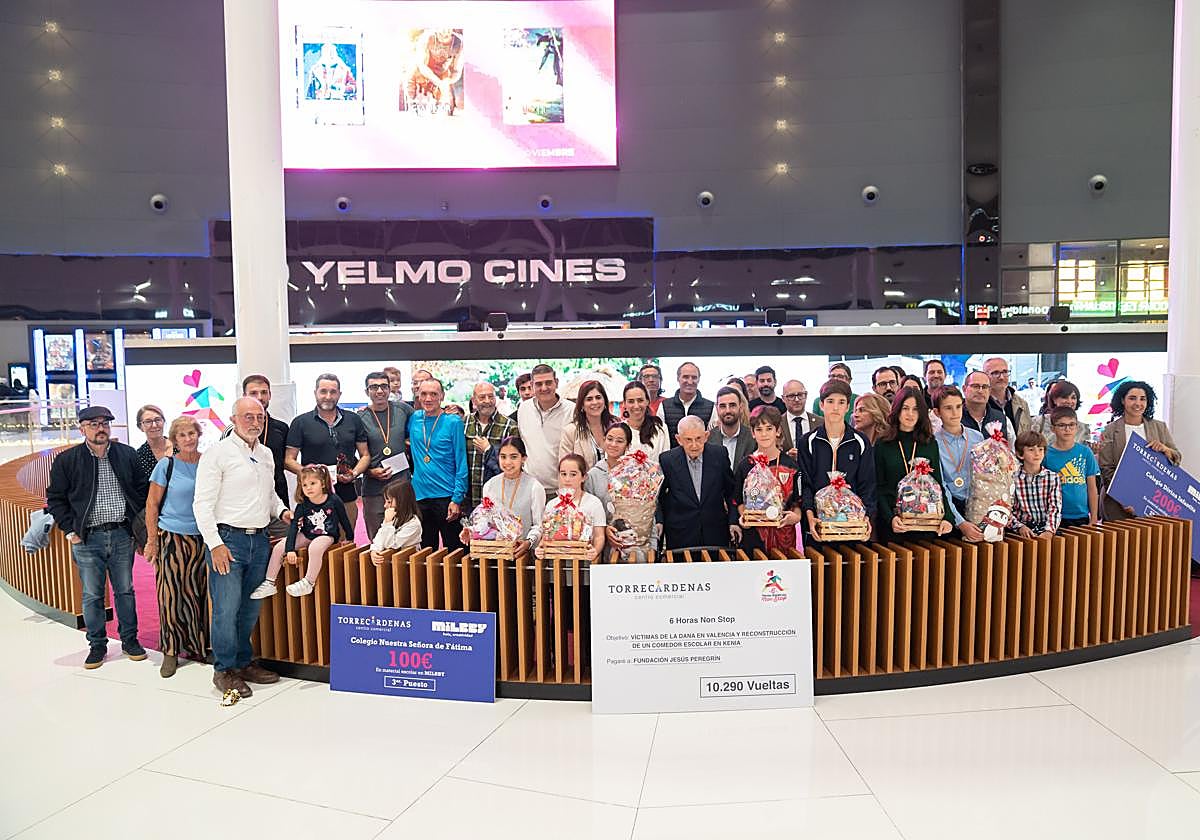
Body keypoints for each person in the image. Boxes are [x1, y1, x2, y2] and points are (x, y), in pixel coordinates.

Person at [193, 397, 293, 697]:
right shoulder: (217, 454)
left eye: (259, 417)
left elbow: (270, 494)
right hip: (228, 540)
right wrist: (215, 544)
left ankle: (242, 661)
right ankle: (223, 670)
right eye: (247, 416)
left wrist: (283, 511)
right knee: (226, 609)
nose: (254, 422)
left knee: (250, 608)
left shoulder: (265, 454)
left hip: (260, 540)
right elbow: (202, 504)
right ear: (233, 419)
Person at [46, 405, 150, 669]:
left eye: (105, 423)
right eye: (93, 424)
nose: (100, 428)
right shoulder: (67, 460)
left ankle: (130, 640)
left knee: (125, 591)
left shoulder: (127, 455)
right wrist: (71, 531)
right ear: (82, 429)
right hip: (87, 538)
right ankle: (97, 645)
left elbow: (141, 491)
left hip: (121, 534)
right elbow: (56, 499)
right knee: (92, 595)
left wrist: (136, 527)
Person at [142, 416, 207, 678]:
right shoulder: (166, 466)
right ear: (175, 439)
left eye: (192, 433)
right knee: (170, 595)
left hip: (202, 538)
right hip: (172, 537)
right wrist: (152, 541)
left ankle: (197, 644)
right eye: (182, 435)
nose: (188, 438)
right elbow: (151, 505)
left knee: (198, 594)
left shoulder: (208, 464)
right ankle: (170, 650)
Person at [284, 373, 370, 534]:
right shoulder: (301, 422)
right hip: (313, 500)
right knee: (315, 546)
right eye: (323, 391)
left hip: (347, 496)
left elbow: (365, 455)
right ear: (315, 392)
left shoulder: (353, 420)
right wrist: (312, 475)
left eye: (333, 392)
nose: (328, 396)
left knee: (345, 548)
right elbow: (289, 460)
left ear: (339, 394)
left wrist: (354, 473)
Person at [252, 464, 353, 599]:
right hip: (307, 534)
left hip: (327, 535)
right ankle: (270, 582)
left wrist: (349, 537)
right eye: (305, 485)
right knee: (279, 547)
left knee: (315, 547)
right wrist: (289, 550)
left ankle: (308, 582)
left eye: (313, 483)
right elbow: (294, 527)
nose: (309, 488)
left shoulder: (334, 500)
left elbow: (344, 519)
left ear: (322, 483)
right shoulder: (303, 504)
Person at [800, 379, 876, 541]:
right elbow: (806, 484)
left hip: (852, 527)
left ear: (848, 407)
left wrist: (866, 517)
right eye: (830, 401)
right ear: (821, 405)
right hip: (819, 527)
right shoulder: (808, 441)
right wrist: (810, 516)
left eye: (841, 402)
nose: (835, 407)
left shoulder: (860, 441)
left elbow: (867, 485)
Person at [874, 387, 954, 540]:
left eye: (915, 409)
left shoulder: (929, 443)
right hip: (896, 525)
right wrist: (890, 518)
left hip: (927, 523)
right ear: (897, 410)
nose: (910, 414)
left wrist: (948, 518)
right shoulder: (883, 444)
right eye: (905, 408)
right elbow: (879, 488)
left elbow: (938, 485)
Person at [1097, 381, 1180, 521]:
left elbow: (1177, 458)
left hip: (1153, 502)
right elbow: (1106, 469)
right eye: (1132, 398)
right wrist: (1126, 499)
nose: (1138, 403)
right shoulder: (1109, 430)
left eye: (1143, 399)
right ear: (1123, 400)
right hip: (1117, 504)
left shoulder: (1159, 427)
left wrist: (1165, 449)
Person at [658, 416, 737, 549]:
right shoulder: (667, 460)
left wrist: (733, 521)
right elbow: (658, 497)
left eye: (699, 439)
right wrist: (659, 521)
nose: (694, 445)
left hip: (716, 532)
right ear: (678, 439)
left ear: (706, 436)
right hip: (680, 533)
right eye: (688, 440)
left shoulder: (720, 455)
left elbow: (731, 492)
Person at [408, 377, 468, 550]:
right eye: (424, 394)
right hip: (420, 497)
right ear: (418, 396)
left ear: (442, 395)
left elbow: (461, 462)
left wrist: (457, 498)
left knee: (455, 550)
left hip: (447, 497)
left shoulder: (453, 422)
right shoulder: (414, 419)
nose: (428, 399)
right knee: (425, 552)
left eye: (433, 394)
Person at [732, 406, 802, 553]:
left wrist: (795, 517)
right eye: (759, 429)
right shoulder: (746, 465)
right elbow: (738, 499)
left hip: (783, 535)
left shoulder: (790, 465)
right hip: (753, 536)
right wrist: (745, 516)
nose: (764, 434)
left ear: (778, 431)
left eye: (769, 428)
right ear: (752, 433)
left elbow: (797, 501)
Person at [466, 436, 544, 555]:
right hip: (494, 553)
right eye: (503, 457)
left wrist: (528, 543)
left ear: (523, 458)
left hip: (523, 554)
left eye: (513, 457)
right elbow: (485, 520)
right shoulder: (490, 485)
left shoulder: (534, 487)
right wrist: (471, 530)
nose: (507, 462)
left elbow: (539, 525)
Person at [358, 372, 413, 540]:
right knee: (378, 540)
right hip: (374, 489)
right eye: (374, 387)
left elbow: (422, 426)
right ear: (367, 391)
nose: (380, 391)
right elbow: (355, 454)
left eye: (384, 386)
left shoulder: (403, 409)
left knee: (406, 539)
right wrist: (369, 471)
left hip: (402, 486)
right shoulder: (360, 417)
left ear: (390, 389)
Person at [931, 386, 986, 541]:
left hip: (977, 504)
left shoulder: (977, 437)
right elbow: (941, 486)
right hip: (949, 508)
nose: (955, 413)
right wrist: (960, 522)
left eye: (958, 406)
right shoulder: (933, 443)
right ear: (937, 412)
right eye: (948, 408)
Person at [531, 454, 607, 563]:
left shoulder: (594, 503)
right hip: (556, 563)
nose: (567, 479)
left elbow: (599, 536)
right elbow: (546, 535)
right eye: (563, 474)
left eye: (573, 474)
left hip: (583, 562)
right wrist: (540, 548)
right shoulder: (552, 505)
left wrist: (595, 550)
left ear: (583, 477)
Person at [518, 364, 574, 497]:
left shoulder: (572, 411)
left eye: (548, 382)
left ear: (557, 382)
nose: (544, 388)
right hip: (528, 489)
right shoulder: (524, 409)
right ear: (532, 385)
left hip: (560, 490)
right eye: (539, 384)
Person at [238, 375, 292, 506]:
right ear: (244, 395)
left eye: (264, 392)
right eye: (253, 393)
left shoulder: (282, 428)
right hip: (245, 501)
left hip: (278, 498)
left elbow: (287, 461)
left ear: (270, 395)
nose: (260, 397)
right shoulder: (233, 430)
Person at [1043, 407, 1100, 527]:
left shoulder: (1085, 452)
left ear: (1077, 427)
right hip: (1055, 516)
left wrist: (1094, 517)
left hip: (1082, 516)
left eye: (1071, 425)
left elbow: (1092, 488)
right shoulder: (1046, 454)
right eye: (1062, 425)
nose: (1067, 429)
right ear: (1053, 428)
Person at [466, 381, 517, 512]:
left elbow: (514, 466)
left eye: (491, 396)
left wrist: (490, 451)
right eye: (482, 397)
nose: (487, 401)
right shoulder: (463, 423)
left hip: (499, 499)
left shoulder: (510, 426)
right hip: (467, 498)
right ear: (474, 400)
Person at [1010, 431, 1061, 539]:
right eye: (1031, 450)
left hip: (1045, 528)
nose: (1037, 453)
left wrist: (1049, 530)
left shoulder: (1052, 477)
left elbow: (1055, 508)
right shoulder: (1012, 478)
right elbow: (1007, 509)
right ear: (1020, 454)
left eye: (1040, 449)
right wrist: (1019, 527)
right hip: (1021, 530)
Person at [559, 379, 614, 471]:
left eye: (598, 397)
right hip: (584, 484)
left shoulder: (615, 425)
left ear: (604, 401)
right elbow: (565, 469)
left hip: (617, 484)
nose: (595, 402)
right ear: (582, 405)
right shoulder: (570, 431)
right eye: (589, 399)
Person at [656, 361, 714, 439]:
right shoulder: (664, 406)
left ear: (699, 379)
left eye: (694, 377)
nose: (690, 382)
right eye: (685, 377)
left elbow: (712, 438)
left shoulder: (711, 407)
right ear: (678, 378)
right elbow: (660, 438)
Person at [369, 480, 423, 564]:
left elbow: (390, 544)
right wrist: (374, 550)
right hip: (394, 562)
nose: (385, 505)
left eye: (389, 502)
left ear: (402, 501)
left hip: (409, 564)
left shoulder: (414, 524)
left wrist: (388, 523)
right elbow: (379, 537)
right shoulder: (393, 516)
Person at [585, 421, 631, 514]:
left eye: (619, 441)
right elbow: (588, 509)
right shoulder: (593, 475)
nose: (613, 444)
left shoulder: (634, 472)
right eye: (610, 439)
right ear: (604, 440)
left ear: (628, 445)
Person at [1030, 380, 1091, 445]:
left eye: (1073, 398)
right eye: (1064, 397)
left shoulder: (1083, 428)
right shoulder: (1038, 422)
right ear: (1054, 400)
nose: (1069, 401)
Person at [621, 380, 669, 461]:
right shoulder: (619, 430)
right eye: (631, 401)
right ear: (624, 404)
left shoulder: (660, 428)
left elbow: (666, 460)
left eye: (640, 400)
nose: (636, 406)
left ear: (647, 401)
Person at [708, 385, 755, 469]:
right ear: (716, 408)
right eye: (722, 406)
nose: (728, 410)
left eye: (732, 405)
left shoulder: (753, 437)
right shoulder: (708, 439)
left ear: (740, 408)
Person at [984, 357, 1032, 436]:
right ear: (985, 375)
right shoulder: (980, 404)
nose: (1001, 377)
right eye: (995, 373)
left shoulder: (1022, 404)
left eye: (1005, 372)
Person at [962, 370, 1014, 440]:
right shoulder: (954, 417)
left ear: (989, 391)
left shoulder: (1002, 419)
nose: (980, 391)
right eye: (975, 386)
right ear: (964, 389)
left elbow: (1011, 449)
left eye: (984, 387)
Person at [780, 380, 823, 457]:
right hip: (786, 467)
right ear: (783, 398)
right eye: (791, 396)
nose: (796, 399)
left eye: (800, 395)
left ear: (806, 395)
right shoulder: (777, 423)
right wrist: (786, 456)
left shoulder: (821, 422)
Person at [134, 404, 171, 480]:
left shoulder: (179, 447)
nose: (154, 425)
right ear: (140, 427)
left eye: (158, 420)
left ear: (164, 422)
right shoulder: (138, 456)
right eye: (148, 421)